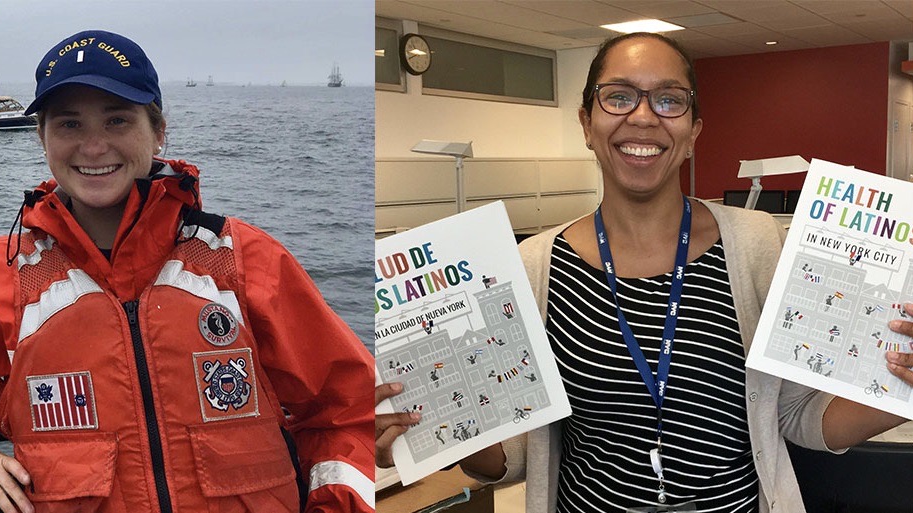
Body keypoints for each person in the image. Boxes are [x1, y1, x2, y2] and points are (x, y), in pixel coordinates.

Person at [377, 32, 913, 512]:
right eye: (619, 96)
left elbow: (800, 416)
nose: (642, 116)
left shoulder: (762, 247)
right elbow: (513, 455)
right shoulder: (530, 269)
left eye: (669, 99)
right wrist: (431, 426)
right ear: (587, 122)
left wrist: (904, 391)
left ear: (694, 129)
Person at [0, 29, 374, 513]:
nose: (94, 146)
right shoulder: (8, 272)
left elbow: (346, 409)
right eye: (69, 125)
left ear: (158, 130)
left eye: (118, 120)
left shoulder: (242, 259)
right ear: (42, 137)